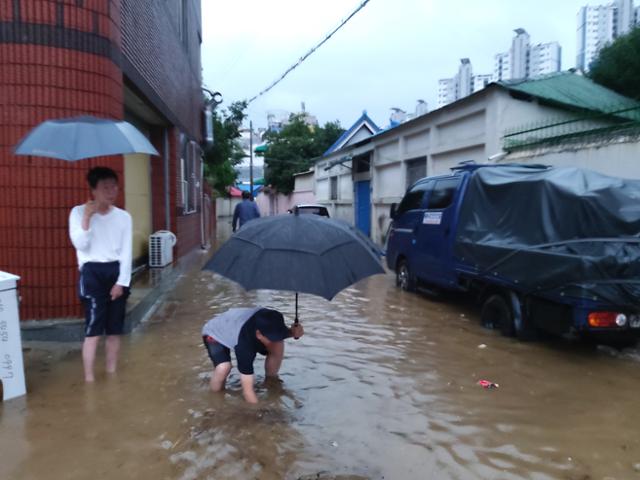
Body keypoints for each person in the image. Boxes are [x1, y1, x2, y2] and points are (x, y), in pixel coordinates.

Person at [68, 166, 132, 383]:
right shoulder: (77, 213)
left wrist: (121, 283)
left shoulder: (124, 217)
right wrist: (87, 217)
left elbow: (126, 252)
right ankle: (89, 379)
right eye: (105, 187)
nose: (112, 191)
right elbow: (80, 244)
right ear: (93, 190)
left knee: (114, 329)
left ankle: (112, 373)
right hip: (91, 272)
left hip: (116, 271)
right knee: (93, 328)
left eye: (114, 186)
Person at [201, 307, 304, 403]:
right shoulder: (244, 346)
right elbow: (248, 391)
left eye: (277, 336)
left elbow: (284, 333)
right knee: (223, 367)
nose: (275, 339)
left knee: (278, 346)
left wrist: (294, 332)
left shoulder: (273, 322)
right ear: (259, 335)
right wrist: (259, 412)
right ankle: (215, 399)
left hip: (241, 322)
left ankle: (271, 381)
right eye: (272, 338)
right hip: (215, 331)